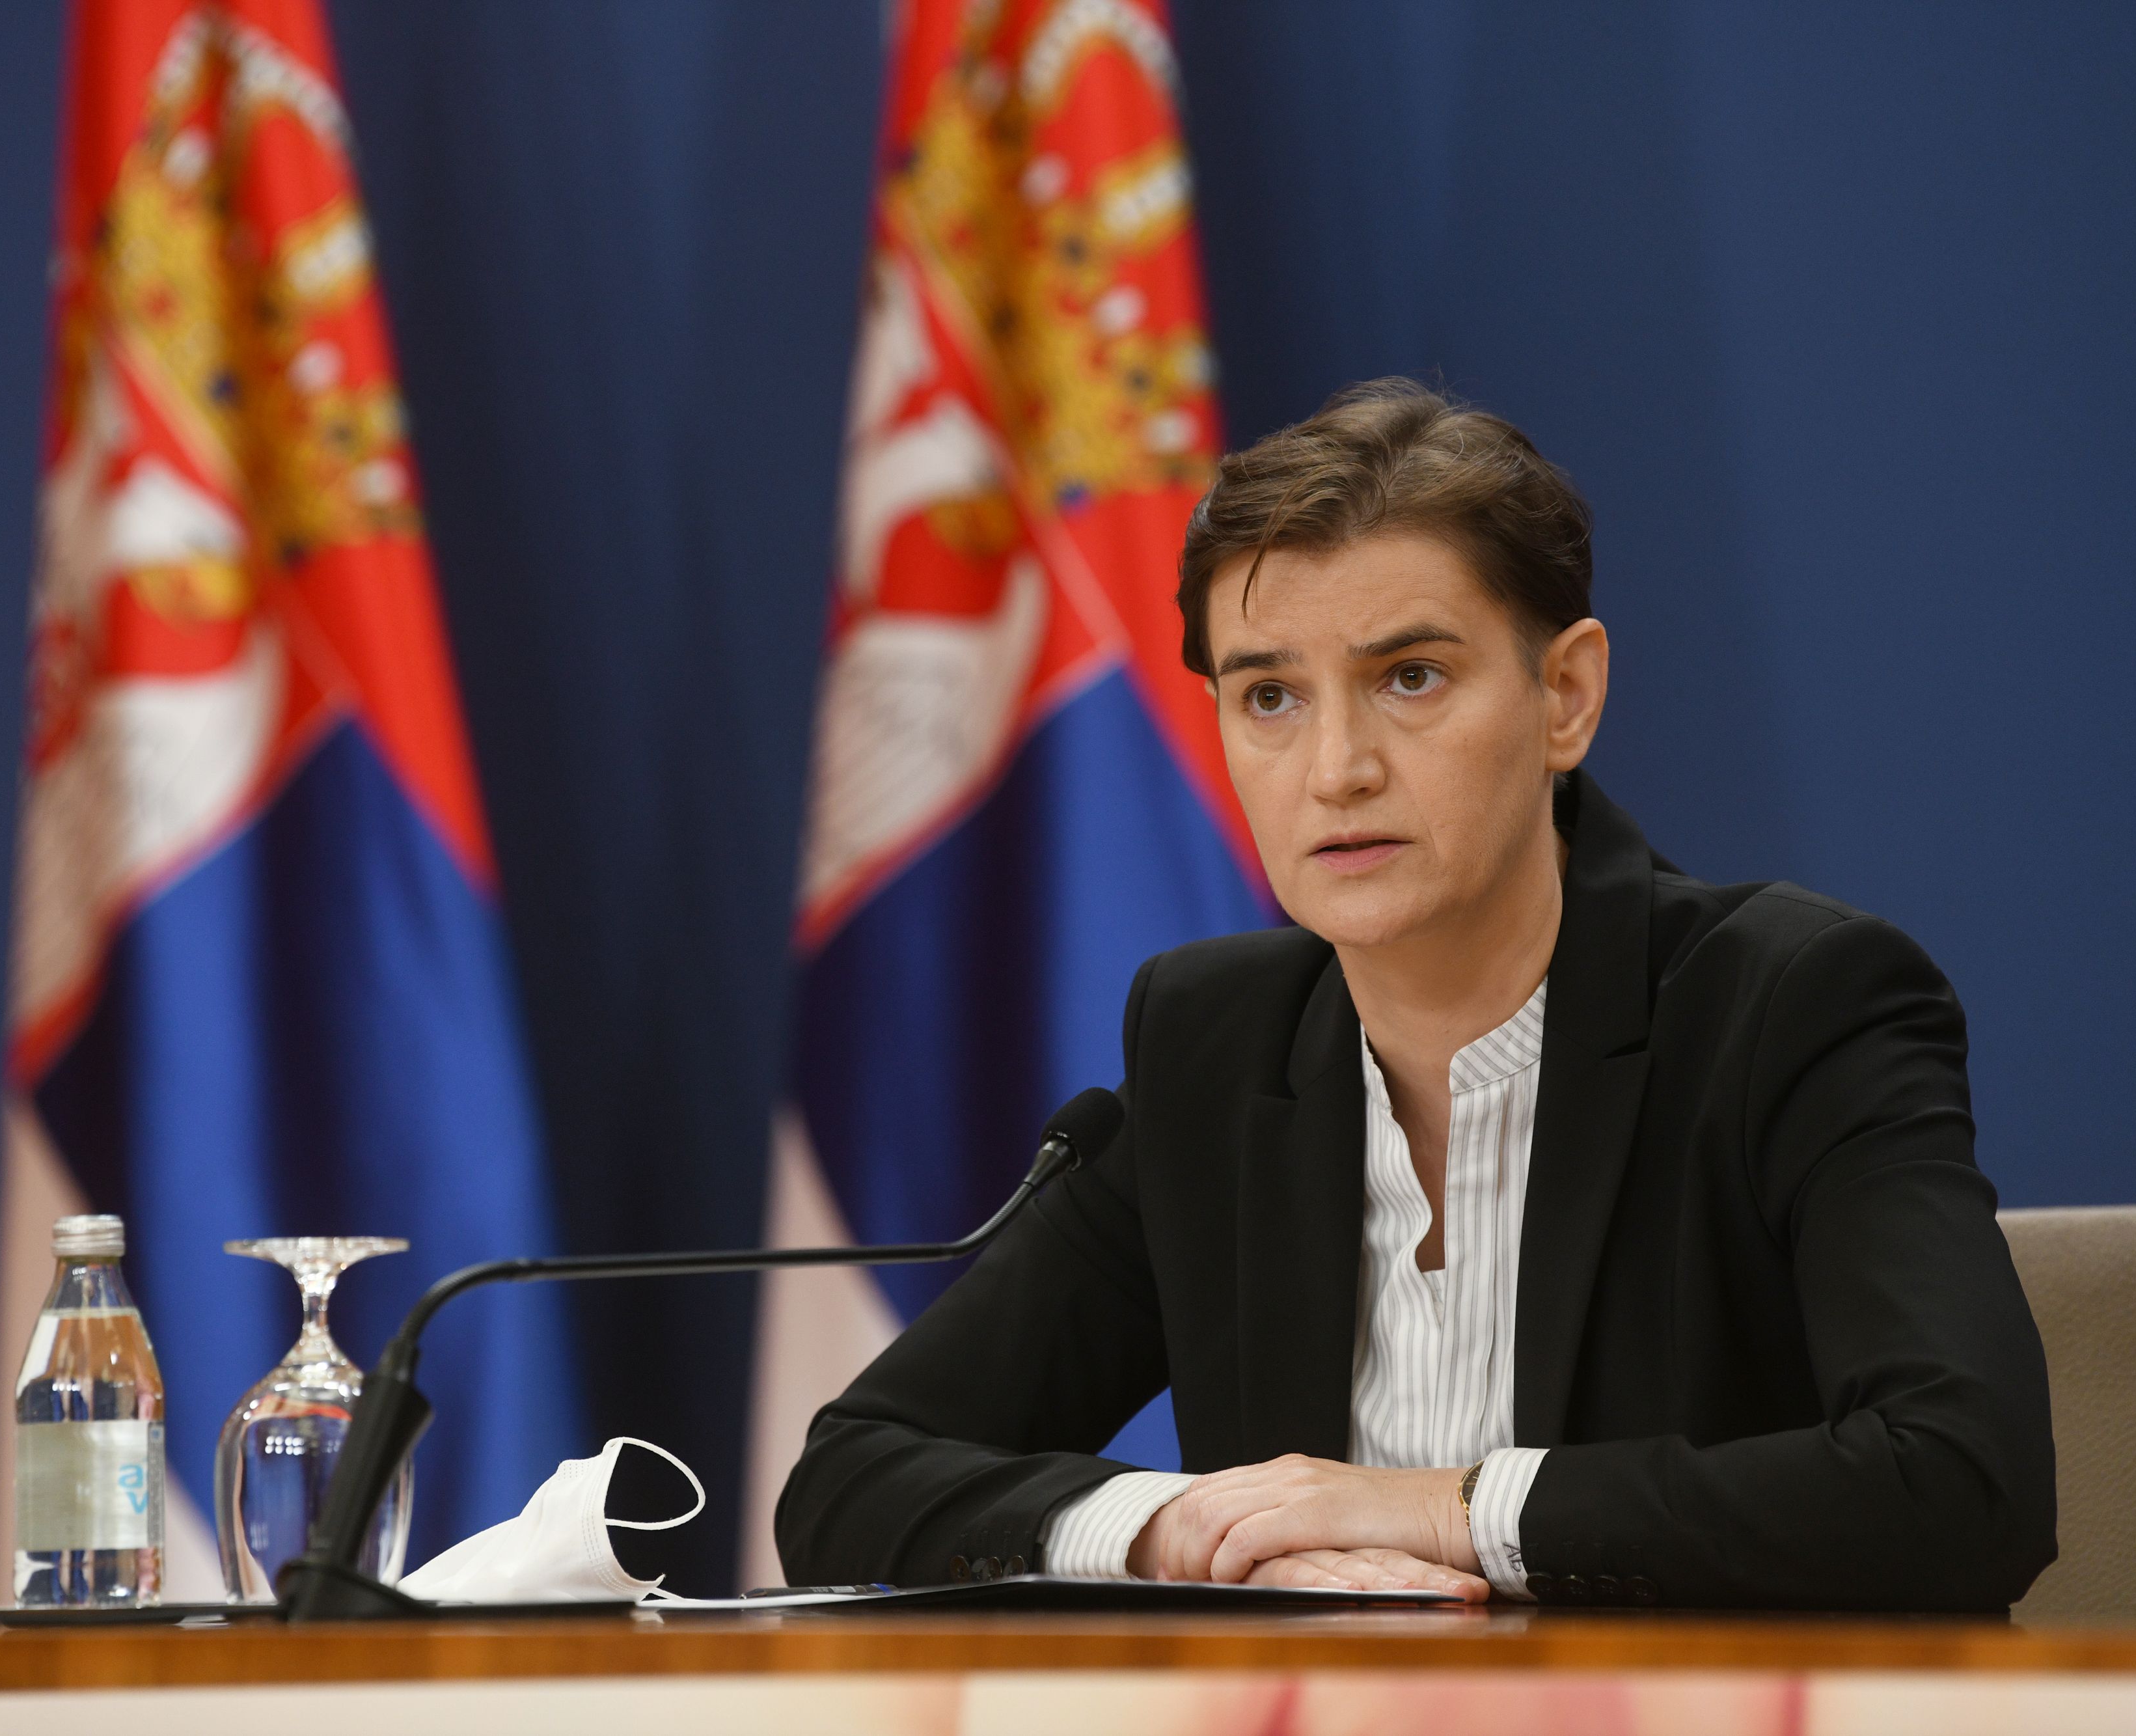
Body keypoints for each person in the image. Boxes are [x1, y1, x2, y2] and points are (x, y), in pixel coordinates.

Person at [774, 379, 2057, 1610]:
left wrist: (1438, 1506)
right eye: (1268, 694)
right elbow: (850, 1471)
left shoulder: (1787, 1006)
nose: (1335, 769)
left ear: (1565, 694)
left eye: (1410, 677)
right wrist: (1186, 1529)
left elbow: (1959, 1481)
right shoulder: (1217, 1049)